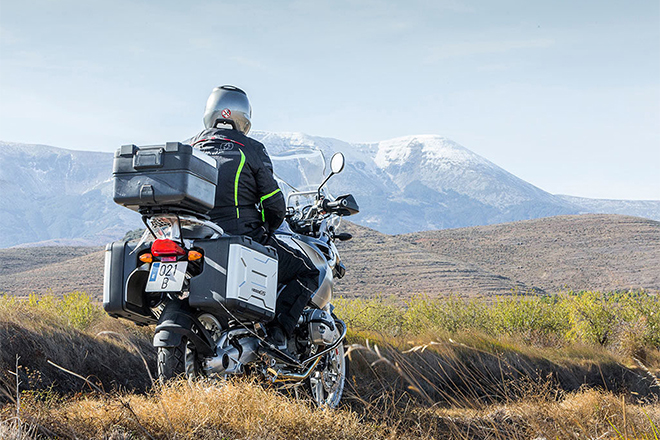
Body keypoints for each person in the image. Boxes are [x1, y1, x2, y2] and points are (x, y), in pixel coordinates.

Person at [187, 85, 319, 353]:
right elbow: (273, 203)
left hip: (192, 239)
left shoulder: (189, 147)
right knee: (308, 271)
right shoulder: (251, 149)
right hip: (241, 238)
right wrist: (270, 227)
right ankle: (278, 335)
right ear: (243, 117)